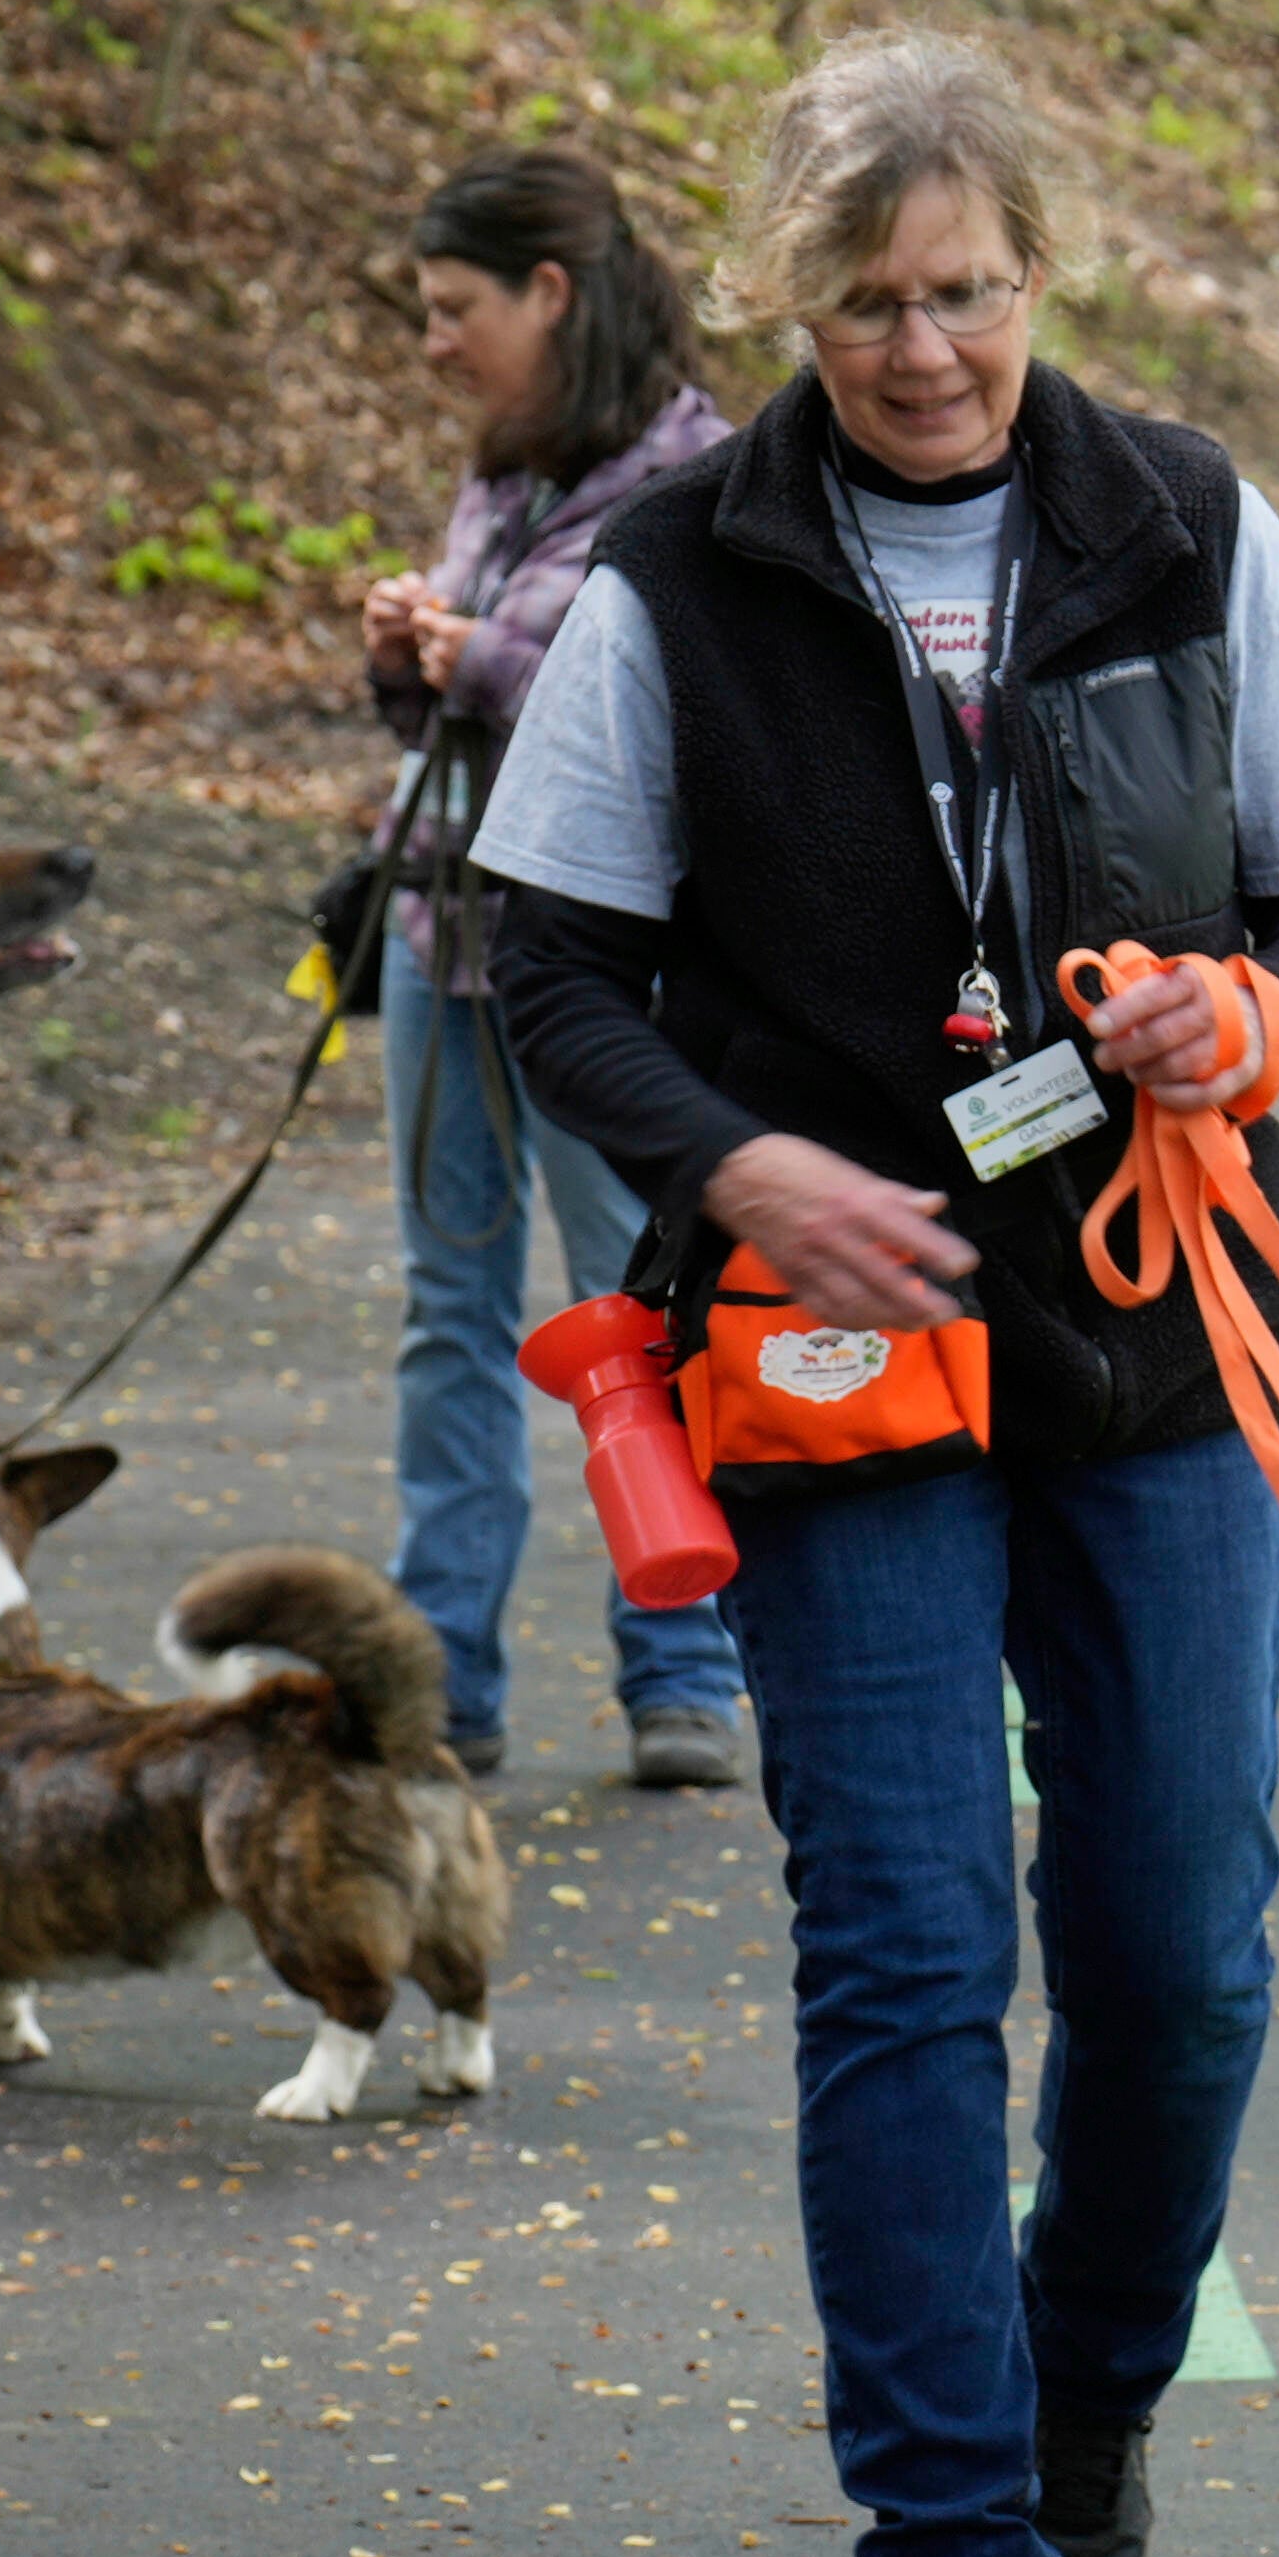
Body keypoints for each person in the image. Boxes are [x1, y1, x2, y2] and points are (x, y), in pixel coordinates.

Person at [476, 32, 1279, 2557]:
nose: (925, 352)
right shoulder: (675, 574)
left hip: (1158, 1350)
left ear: (1043, 280)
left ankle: (1086, 2398)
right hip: (826, 1369)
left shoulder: (1187, 525)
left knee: (1178, 1956)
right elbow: (553, 975)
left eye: (972, 294)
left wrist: (1246, 1019)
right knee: (905, 1956)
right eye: (874, 304)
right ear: (794, 303)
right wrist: (744, 1164)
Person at [358, 143, 747, 1787]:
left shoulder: (706, 483)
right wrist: (411, 664)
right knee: (451, 1314)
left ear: (551, 294)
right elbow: (470, 719)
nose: (435, 344)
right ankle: (440, 1675)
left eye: (457, 311)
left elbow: (683, 721)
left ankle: (685, 1670)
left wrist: (486, 654)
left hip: (608, 986)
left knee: (638, 1314)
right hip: (444, 947)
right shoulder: (502, 471)